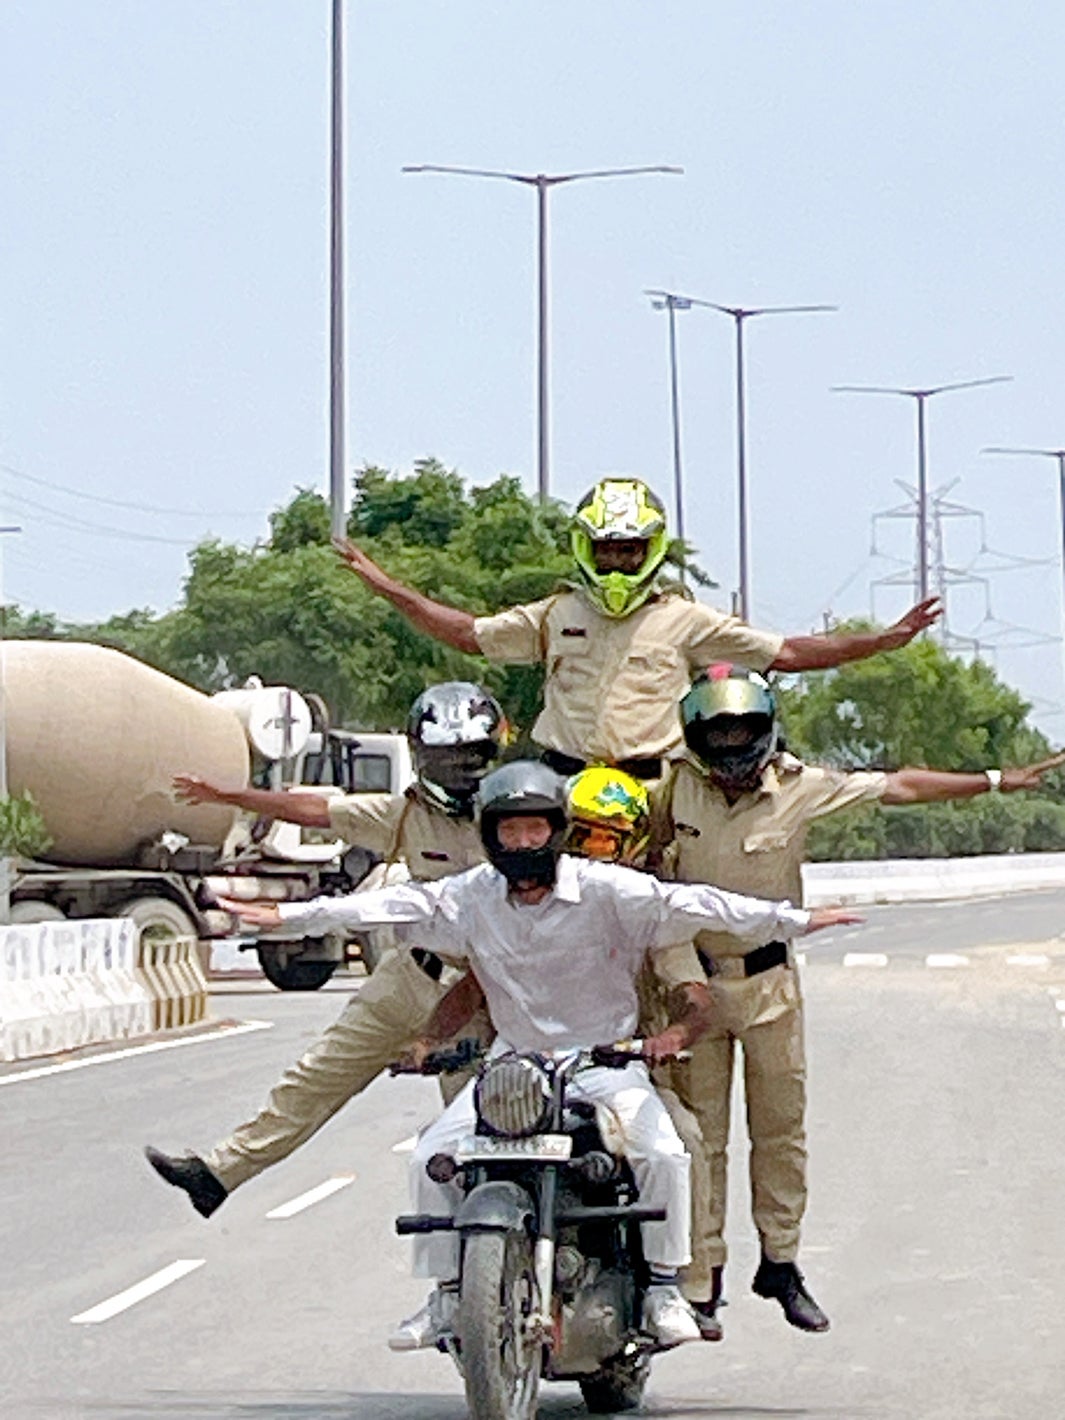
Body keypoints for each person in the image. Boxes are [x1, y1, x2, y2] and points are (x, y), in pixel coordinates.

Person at [223, 760, 863, 1350]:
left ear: (556, 832)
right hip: (514, 1067)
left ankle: (667, 1288)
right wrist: (280, 915)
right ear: (491, 836)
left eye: (536, 830)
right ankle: (448, 1298)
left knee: (666, 1153)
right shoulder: (468, 896)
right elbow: (375, 906)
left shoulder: (608, 890)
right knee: (432, 1157)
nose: (524, 844)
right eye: (510, 831)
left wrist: (795, 920)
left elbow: (694, 903)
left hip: (604, 1067)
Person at [650, 663, 1065, 1338]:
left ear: (764, 729)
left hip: (770, 985)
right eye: (715, 732)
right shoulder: (672, 789)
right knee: (699, 1142)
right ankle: (700, 1281)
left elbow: (896, 785)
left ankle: (779, 1263)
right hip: (692, 988)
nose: (730, 746)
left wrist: (993, 780)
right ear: (695, 735)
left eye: (741, 730)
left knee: (780, 1131)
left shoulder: (800, 786)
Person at [145, 681, 503, 1217]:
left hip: (487, 992)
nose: (457, 767)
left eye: (469, 754)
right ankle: (219, 1173)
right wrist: (232, 797)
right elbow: (315, 810)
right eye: (444, 755)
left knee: (476, 1126)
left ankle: (488, 1261)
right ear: (421, 754)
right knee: (319, 1073)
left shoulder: (517, 815)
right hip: (411, 974)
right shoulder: (402, 814)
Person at [334, 476, 941, 777]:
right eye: (606, 550)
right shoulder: (556, 614)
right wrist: (389, 587)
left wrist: (882, 641)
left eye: (628, 549)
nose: (617, 561)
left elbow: (786, 653)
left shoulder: (686, 620)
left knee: (685, 910)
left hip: (656, 787)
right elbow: (471, 635)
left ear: (649, 550)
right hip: (564, 782)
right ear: (585, 550)